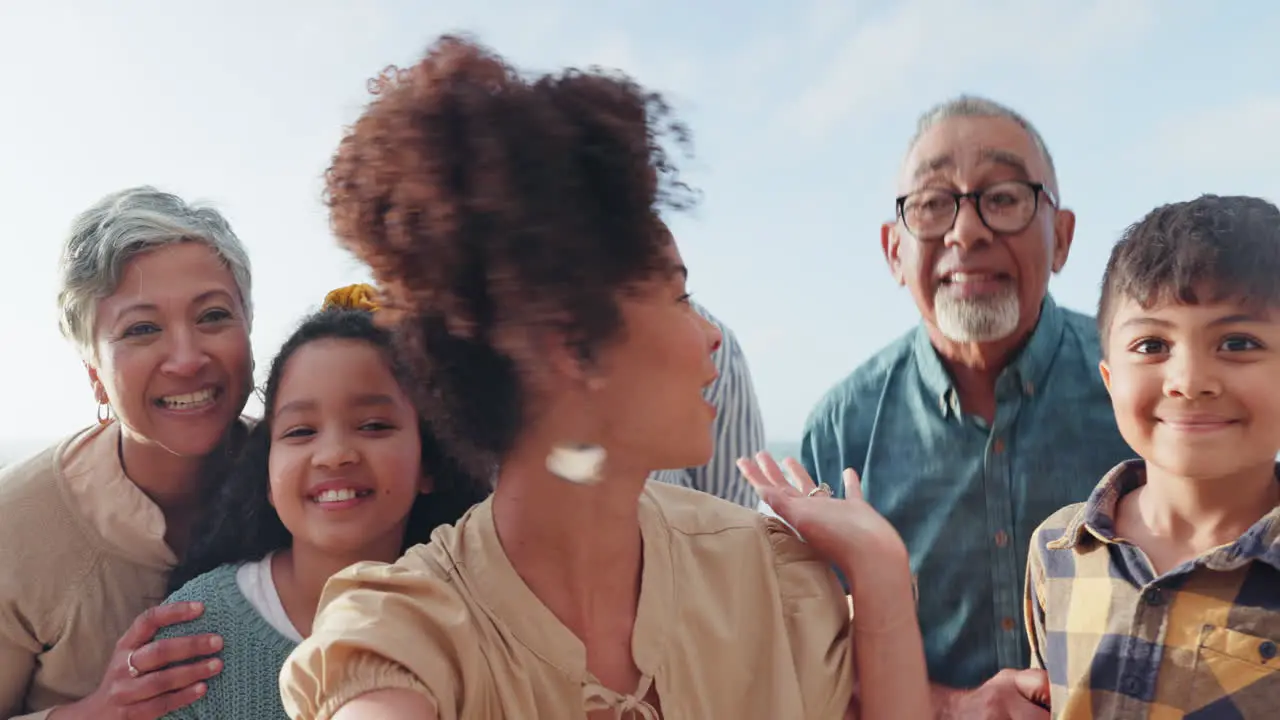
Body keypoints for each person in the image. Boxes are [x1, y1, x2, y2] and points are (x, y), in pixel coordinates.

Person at [277, 36, 930, 720]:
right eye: (679, 297)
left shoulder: (771, 582)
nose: (711, 334)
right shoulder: (407, 631)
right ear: (573, 342)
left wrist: (880, 574)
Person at [797, 95, 1135, 718]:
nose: (966, 230)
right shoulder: (842, 431)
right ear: (894, 252)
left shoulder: (1146, 394)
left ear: (1061, 239)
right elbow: (811, 659)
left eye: (1003, 197)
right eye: (932, 205)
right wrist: (953, 708)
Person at [151, 290, 490, 719]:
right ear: (267, 478)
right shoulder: (193, 634)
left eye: (373, 425)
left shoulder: (483, 622)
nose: (334, 454)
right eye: (300, 431)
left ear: (430, 462)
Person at [0, 187, 254, 718]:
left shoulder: (314, 477)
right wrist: (99, 710)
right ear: (95, 376)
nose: (186, 359)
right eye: (142, 329)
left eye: (212, 316)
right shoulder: (16, 526)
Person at [1026, 195, 1280, 719]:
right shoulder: (1057, 550)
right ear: (1110, 380)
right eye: (1150, 345)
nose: (1189, 382)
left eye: (1237, 342)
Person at [651, 300, 766, 507]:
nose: (714, 334)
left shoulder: (720, 351)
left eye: (684, 296)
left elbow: (734, 519)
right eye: (678, 299)